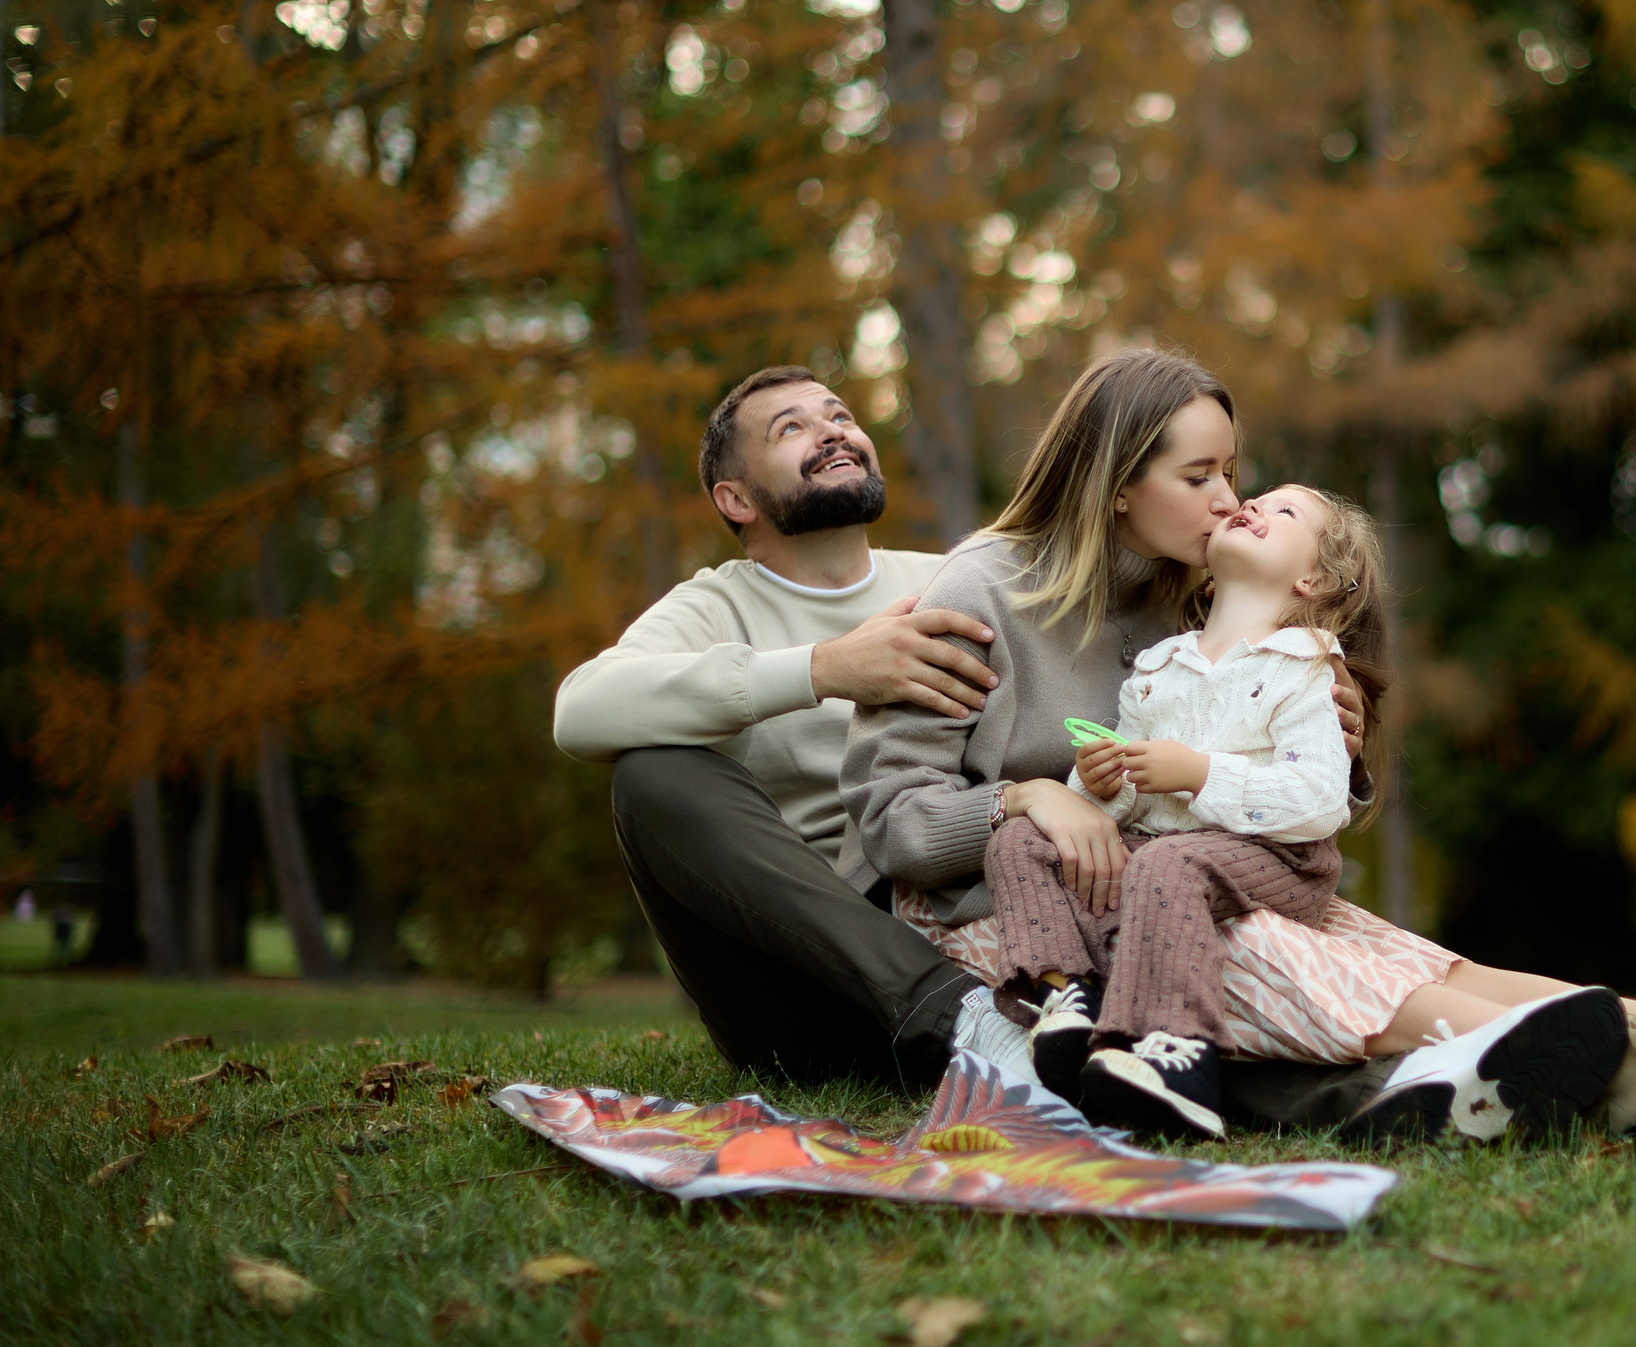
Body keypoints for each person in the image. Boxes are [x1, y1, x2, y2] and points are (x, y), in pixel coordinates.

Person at [846, 347, 1636, 1142]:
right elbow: (894, 831)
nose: (1226, 499)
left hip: (1175, 874)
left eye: (1231, 472)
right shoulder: (978, 594)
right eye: (1198, 474)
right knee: (1286, 951)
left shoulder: (1181, 594)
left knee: (1375, 940)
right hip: (1019, 923)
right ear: (1117, 481)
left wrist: (1343, 742)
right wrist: (1030, 799)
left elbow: (1272, 785)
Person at [556, 365, 1397, 1129]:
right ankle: (969, 1017)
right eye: (792, 428)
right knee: (654, 775)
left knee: (1141, 999)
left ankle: (1379, 1094)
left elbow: (1203, 707)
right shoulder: (716, 609)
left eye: (840, 414)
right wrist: (824, 668)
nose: (832, 431)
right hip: (799, 965)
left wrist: (1327, 718)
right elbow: (580, 709)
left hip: (975, 927)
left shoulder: (978, 578)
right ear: (735, 497)